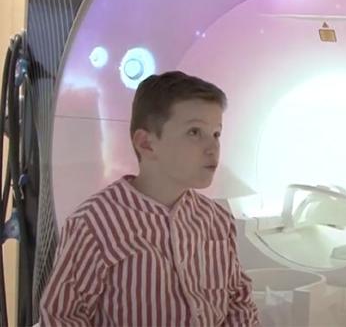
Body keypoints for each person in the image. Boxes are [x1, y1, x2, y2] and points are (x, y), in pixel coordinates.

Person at [40, 71, 259, 326]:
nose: (213, 148)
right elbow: (62, 318)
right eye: (194, 132)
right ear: (146, 144)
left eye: (216, 134)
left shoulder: (218, 221)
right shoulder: (93, 225)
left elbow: (238, 303)